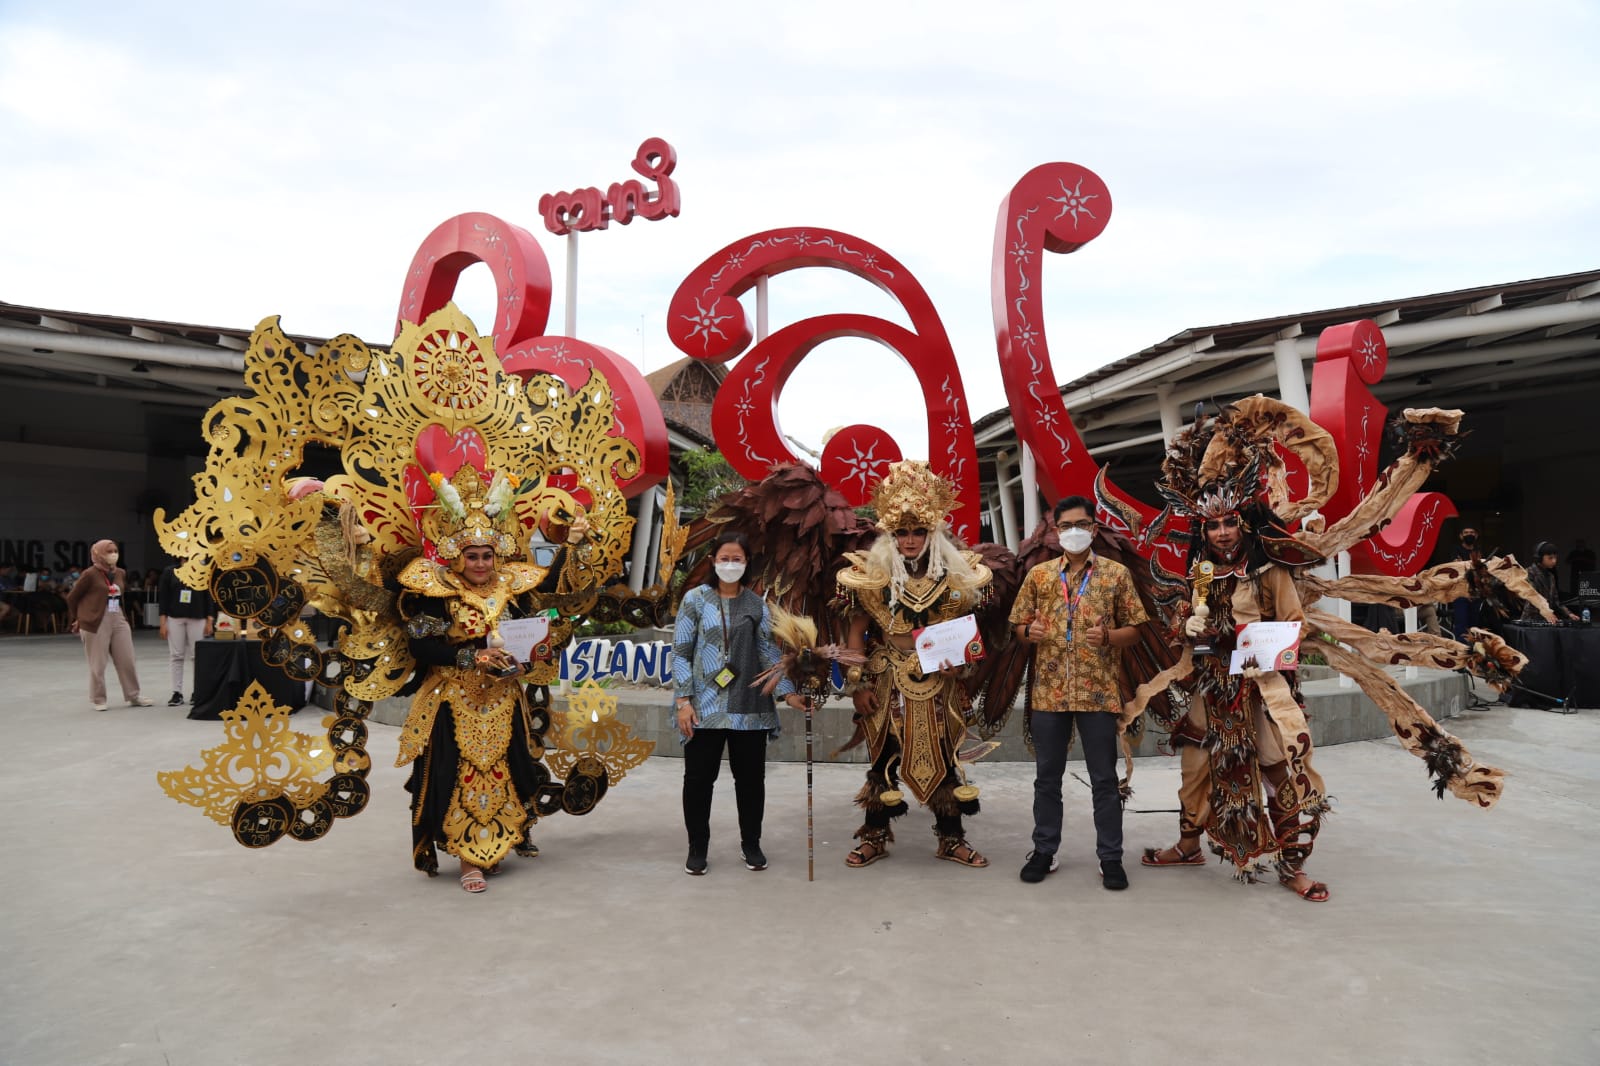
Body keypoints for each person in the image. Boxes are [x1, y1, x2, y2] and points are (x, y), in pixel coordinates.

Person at [396, 465, 580, 894]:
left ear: (498, 556)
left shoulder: (511, 587)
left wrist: (528, 652)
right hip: (454, 702)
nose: (480, 564)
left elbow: (539, 616)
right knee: (458, 775)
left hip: (502, 700)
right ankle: (467, 859)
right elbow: (420, 645)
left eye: (487, 555)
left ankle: (492, 846)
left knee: (504, 772)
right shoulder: (435, 590)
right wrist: (470, 655)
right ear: (458, 556)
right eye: (473, 556)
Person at [1141, 493, 1330, 903]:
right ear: (1203, 531)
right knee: (1193, 771)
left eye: (1228, 523)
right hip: (1209, 689)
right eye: (1213, 526)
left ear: (1242, 525)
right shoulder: (1200, 573)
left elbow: (1295, 627)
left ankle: (1291, 863)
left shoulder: (1268, 571)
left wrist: (1241, 640)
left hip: (1257, 687)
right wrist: (1188, 629)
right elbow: (1181, 627)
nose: (1222, 533)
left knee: (1278, 770)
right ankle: (1189, 846)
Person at [834, 461, 993, 870]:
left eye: (918, 530)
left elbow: (964, 639)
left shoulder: (957, 580)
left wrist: (959, 668)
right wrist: (857, 686)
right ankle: (874, 835)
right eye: (901, 531)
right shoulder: (872, 578)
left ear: (932, 532)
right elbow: (856, 635)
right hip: (886, 677)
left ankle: (951, 838)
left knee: (943, 756)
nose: (909, 539)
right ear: (890, 534)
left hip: (937, 683)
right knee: (882, 759)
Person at [1010, 496, 1148, 890]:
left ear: (1094, 528)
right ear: (1054, 532)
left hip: (1097, 693)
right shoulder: (1038, 576)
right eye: (1066, 525)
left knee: (1104, 779)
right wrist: (1028, 633)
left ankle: (1111, 857)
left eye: (1082, 524)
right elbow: (1017, 628)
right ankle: (1044, 850)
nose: (1074, 532)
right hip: (1049, 695)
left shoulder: (1116, 575)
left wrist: (1108, 636)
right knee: (1046, 779)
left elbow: (1135, 629)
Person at [672, 531, 806, 875]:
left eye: (737, 559)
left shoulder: (755, 604)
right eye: (724, 558)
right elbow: (682, 653)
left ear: (746, 564)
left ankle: (751, 844)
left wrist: (788, 691)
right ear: (712, 561)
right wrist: (683, 701)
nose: (729, 565)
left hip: (750, 708)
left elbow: (766, 652)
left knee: (750, 782)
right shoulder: (695, 600)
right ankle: (697, 847)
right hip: (704, 707)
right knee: (699, 781)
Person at [65, 540, 153, 711]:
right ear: (98, 554)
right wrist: (79, 617)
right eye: (109, 551)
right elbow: (72, 597)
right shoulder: (89, 574)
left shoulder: (120, 572)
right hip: (96, 619)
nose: (113, 554)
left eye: (115, 550)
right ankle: (99, 698)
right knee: (98, 663)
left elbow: (120, 594)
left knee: (127, 659)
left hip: (117, 616)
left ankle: (133, 695)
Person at [158, 564, 215, 704]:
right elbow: (163, 597)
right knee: (176, 655)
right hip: (174, 617)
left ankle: (198, 690)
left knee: (197, 656)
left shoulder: (203, 569)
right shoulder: (170, 571)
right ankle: (177, 692)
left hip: (198, 616)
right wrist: (162, 622)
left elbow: (209, 595)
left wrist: (210, 619)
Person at [1521, 541, 1576, 623]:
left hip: (1547, 619)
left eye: (1555, 558)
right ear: (1539, 558)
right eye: (1550, 558)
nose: (1554, 561)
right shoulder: (1528, 573)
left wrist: (1569, 613)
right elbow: (1533, 598)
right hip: (1531, 620)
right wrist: (1546, 612)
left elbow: (1555, 601)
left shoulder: (1551, 576)